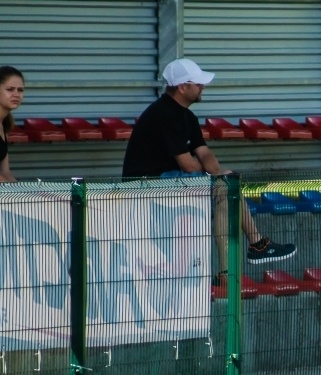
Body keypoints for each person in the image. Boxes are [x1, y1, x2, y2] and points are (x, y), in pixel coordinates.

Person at [122, 58, 296, 283]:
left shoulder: (186, 116)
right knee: (225, 189)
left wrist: (219, 173)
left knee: (227, 187)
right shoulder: (164, 114)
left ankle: (232, 267)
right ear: (183, 87)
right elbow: (188, 164)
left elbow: (204, 154)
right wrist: (213, 174)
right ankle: (256, 245)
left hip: (170, 180)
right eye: (198, 83)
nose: (203, 87)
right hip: (147, 184)